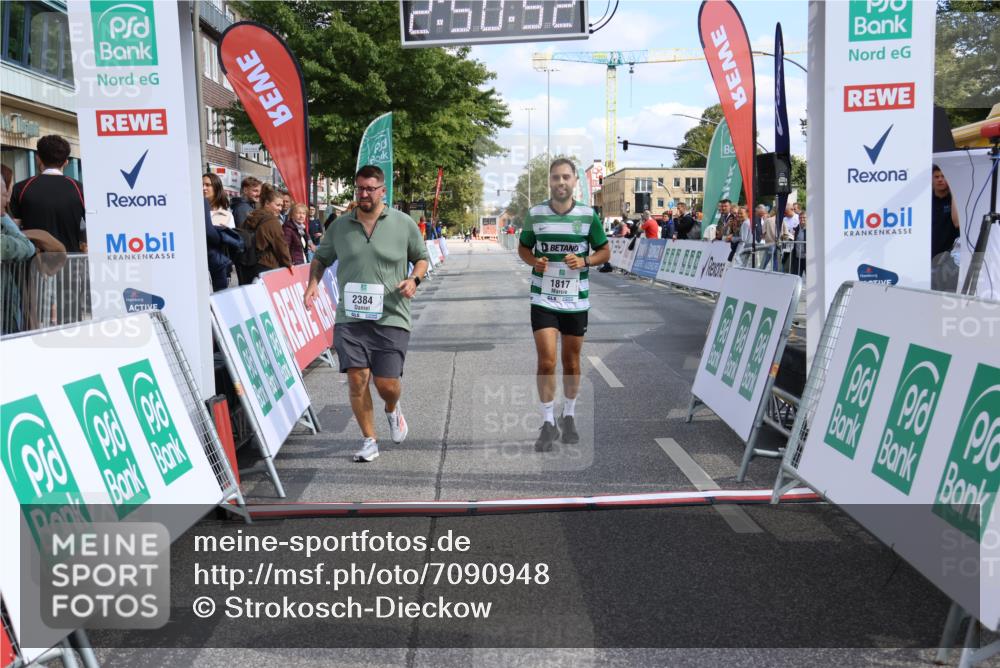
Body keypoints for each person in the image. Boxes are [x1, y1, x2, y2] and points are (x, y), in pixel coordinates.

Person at [303, 165, 429, 463]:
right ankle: (369, 439)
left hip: (391, 314)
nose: (364, 194)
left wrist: (414, 280)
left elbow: (422, 258)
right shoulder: (340, 226)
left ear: (383, 191)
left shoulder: (403, 223)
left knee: (387, 384)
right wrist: (312, 284)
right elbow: (321, 258)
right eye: (360, 188)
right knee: (358, 378)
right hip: (351, 316)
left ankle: (392, 409)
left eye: (371, 188)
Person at [517, 158, 611, 451]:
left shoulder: (587, 216)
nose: (561, 182)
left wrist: (585, 260)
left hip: (575, 300)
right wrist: (535, 261)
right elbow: (523, 247)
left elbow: (604, 251)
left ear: (574, 182)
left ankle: (568, 415)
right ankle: (547, 422)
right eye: (556, 178)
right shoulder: (536, 214)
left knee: (571, 362)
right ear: (550, 181)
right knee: (546, 361)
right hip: (543, 297)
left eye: (566, 177)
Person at [9, 135, 85, 252]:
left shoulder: (21, 188)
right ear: (66, 162)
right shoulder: (79, 189)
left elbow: (14, 228)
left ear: (38, 158)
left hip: (34, 264)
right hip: (71, 263)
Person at [243, 186, 292, 279]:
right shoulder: (272, 221)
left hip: (248, 264)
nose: (280, 208)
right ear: (267, 204)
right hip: (267, 265)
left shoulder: (251, 216)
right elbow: (281, 245)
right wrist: (289, 264)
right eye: (277, 205)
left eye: (281, 205)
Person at [931, 164, 960, 259]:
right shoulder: (927, 200)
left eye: (943, 176)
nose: (940, 179)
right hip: (930, 253)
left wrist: (954, 190)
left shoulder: (954, 199)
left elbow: (957, 223)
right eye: (936, 177)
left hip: (951, 255)